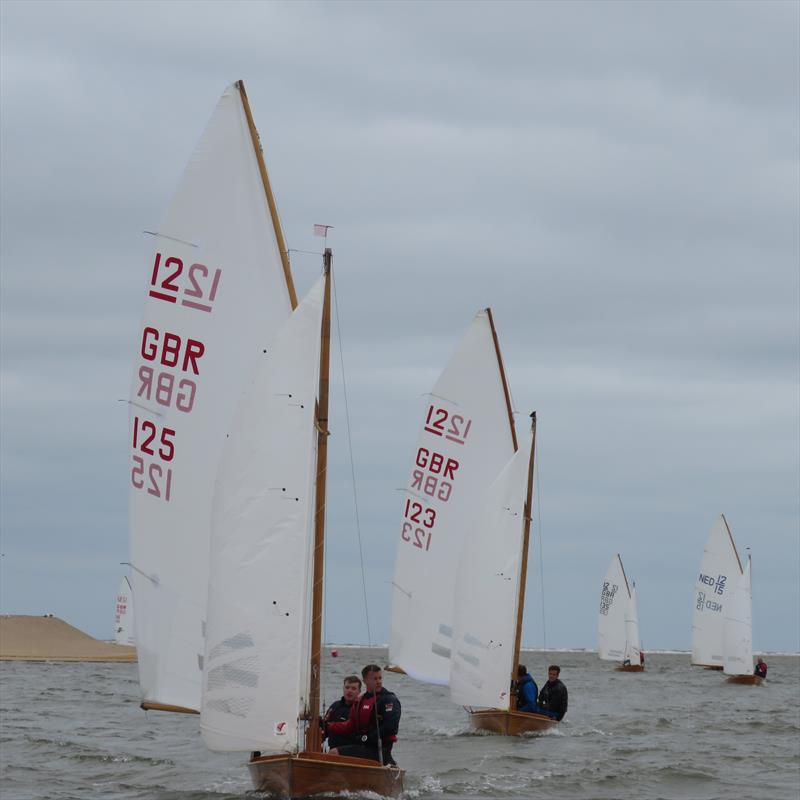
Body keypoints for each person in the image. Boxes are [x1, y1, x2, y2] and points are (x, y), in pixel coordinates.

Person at [325, 664, 401, 766]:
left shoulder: (388, 699)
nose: (378, 682)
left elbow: (391, 727)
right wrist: (329, 726)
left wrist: (367, 737)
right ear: (365, 680)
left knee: (334, 753)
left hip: (380, 750)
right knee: (334, 752)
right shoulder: (360, 700)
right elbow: (350, 725)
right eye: (374, 679)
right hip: (364, 747)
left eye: (380, 678)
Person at [323, 675, 362, 749]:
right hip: (333, 749)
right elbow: (325, 728)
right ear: (343, 688)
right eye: (347, 687)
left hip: (353, 750)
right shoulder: (335, 706)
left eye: (353, 689)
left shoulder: (360, 709)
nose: (349, 691)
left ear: (359, 692)